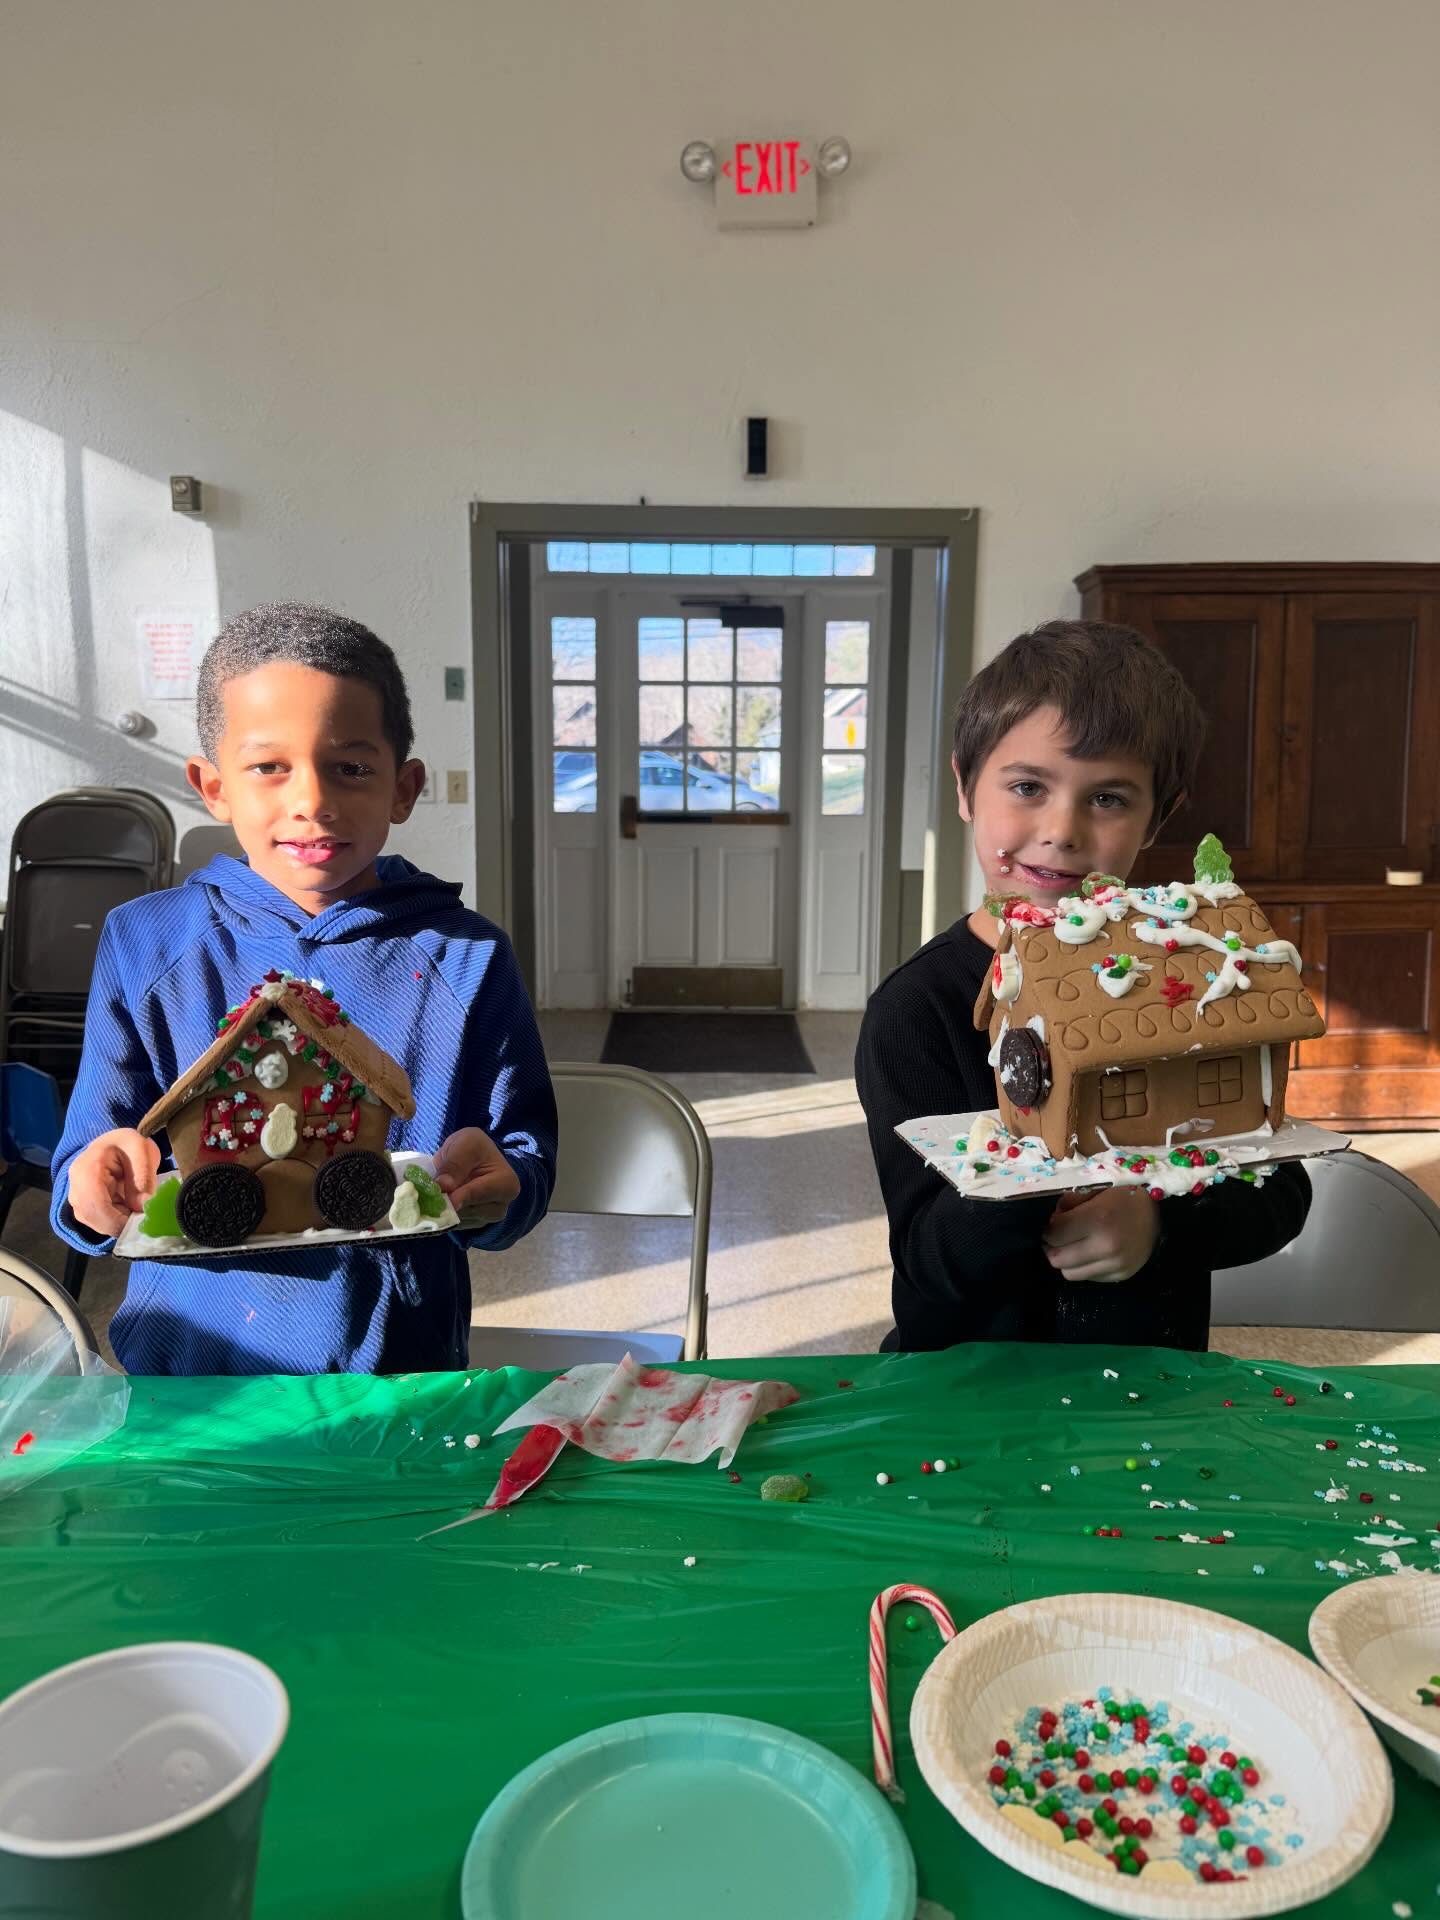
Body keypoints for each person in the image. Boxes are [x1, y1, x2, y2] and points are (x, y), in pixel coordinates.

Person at [50, 602, 556, 1373]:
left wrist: (505, 1181)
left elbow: (522, 1155)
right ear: (212, 786)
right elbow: (89, 1154)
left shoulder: (466, 955)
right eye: (268, 767)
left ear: (404, 787)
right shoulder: (145, 943)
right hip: (191, 1365)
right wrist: (93, 1184)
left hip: (397, 1365)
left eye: (351, 767)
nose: (312, 800)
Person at [855, 620, 1310, 1352]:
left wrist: (1158, 1217)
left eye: (1108, 799)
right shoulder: (918, 1011)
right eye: (1028, 785)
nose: (1062, 829)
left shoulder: (1195, 969)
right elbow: (931, 1264)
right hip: (966, 1392)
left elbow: (1280, 1197)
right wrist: (1033, 1182)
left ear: (1157, 816)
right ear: (966, 788)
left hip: (1145, 1391)